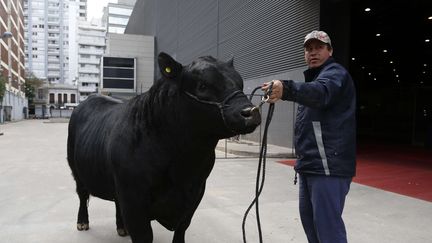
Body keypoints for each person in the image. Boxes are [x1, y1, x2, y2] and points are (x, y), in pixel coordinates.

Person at [262, 30, 356, 243]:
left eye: (319, 48)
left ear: (330, 50)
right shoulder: (315, 80)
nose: (313, 53)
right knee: (312, 227)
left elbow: (321, 93)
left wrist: (286, 89)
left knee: (328, 231)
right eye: (309, 49)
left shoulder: (335, 75)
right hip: (309, 166)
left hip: (328, 167)